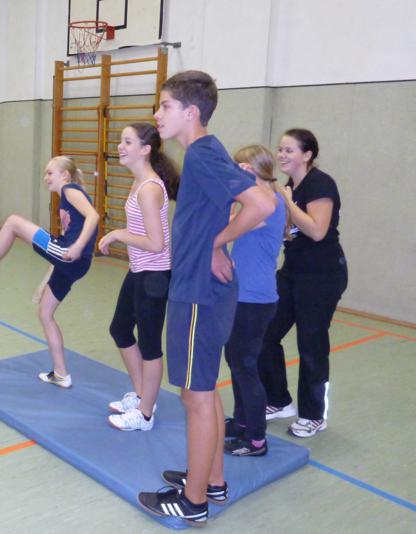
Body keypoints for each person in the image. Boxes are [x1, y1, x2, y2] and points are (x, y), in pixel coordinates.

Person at [136, 70, 275, 527]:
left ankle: (193, 501)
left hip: (198, 293)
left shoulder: (202, 153)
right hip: (200, 287)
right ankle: (211, 481)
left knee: (194, 398)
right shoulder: (204, 155)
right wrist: (216, 240)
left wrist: (216, 243)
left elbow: (263, 205)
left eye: (165, 106)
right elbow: (230, 205)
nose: (158, 114)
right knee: (205, 391)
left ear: (190, 112)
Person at [0, 156, 99, 389]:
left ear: (65, 175)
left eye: (50, 173)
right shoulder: (65, 200)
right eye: (45, 173)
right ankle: (61, 374)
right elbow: (65, 240)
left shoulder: (70, 190)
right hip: (71, 262)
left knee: (12, 223)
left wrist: (78, 246)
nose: (45, 177)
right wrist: (45, 281)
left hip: (71, 254)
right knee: (45, 313)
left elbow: (94, 216)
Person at [258, 128, 348, 438]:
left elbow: (317, 231)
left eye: (289, 150)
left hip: (323, 275)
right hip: (292, 272)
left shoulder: (319, 184)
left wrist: (286, 201)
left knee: (311, 344)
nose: (281, 155)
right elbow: (288, 231)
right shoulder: (288, 187)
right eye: (280, 149)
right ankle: (279, 400)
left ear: (307, 155)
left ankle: (313, 415)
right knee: (265, 333)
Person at [98, 123, 179, 432]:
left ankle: (145, 414)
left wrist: (119, 234)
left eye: (127, 142)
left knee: (149, 345)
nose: (120, 146)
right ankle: (143, 394)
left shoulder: (149, 189)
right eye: (121, 141)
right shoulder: (139, 182)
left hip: (154, 274)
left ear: (145, 150)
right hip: (139, 270)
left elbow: (157, 243)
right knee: (120, 329)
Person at [222, 145, 287, 456]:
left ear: (251, 170)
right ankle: (243, 421)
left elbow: (227, 229)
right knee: (236, 360)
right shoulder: (257, 200)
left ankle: (257, 439)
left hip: (255, 299)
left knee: (245, 365)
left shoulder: (268, 204)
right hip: (243, 295)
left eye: (239, 167)